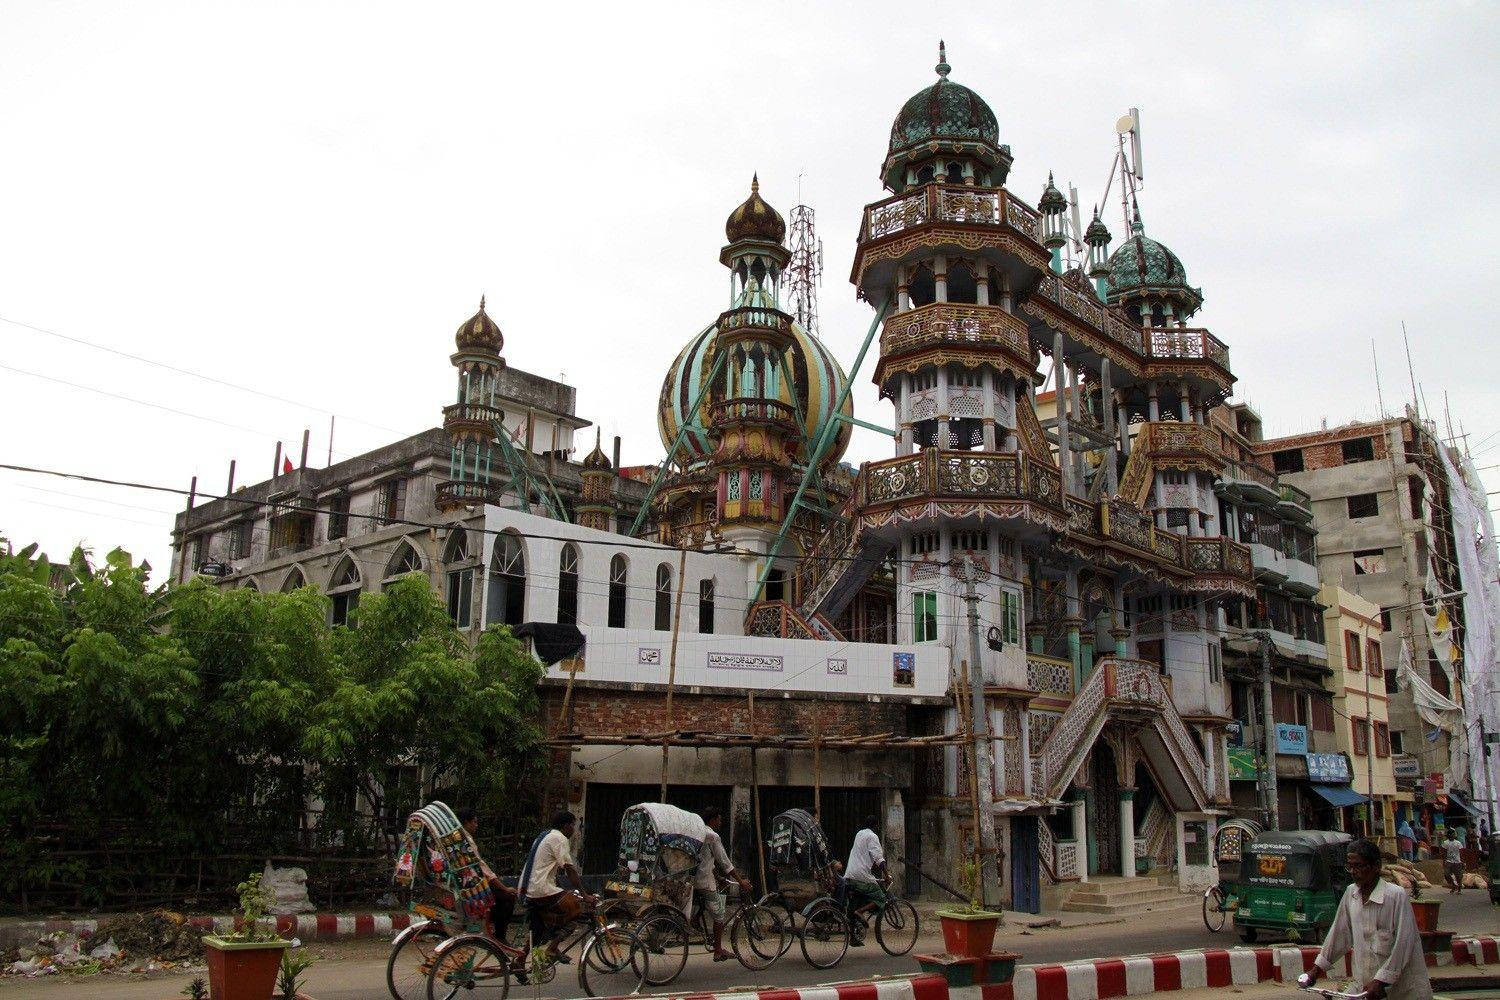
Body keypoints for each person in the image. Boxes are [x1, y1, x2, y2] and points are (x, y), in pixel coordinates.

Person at [1304, 838, 1431, 999]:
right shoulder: (1351, 894)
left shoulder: (1395, 896)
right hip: (1365, 988)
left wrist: (1380, 981)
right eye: (1349, 867)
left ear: (1376, 866)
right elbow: (1338, 935)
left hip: (1401, 991)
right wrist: (1315, 971)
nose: (1353, 872)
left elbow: (1404, 944)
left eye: (1358, 866)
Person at [520, 811, 593, 963]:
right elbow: (569, 869)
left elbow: (547, 869)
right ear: (566, 826)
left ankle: (519, 961)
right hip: (541, 889)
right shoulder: (559, 838)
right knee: (576, 909)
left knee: (537, 928)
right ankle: (552, 948)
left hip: (528, 889)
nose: (574, 829)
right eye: (573, 825)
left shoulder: (545, 836)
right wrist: (585, 895)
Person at [696, 806, 751, 962]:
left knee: (708, 905)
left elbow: (706, 860)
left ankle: (695, 921)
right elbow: (725, 862)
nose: (720, 822)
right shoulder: (712, 836)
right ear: (713, 820)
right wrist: (741, 881)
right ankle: (718, 950)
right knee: (719, 915)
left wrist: (718, 876)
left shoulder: (699, 832)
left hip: (696, 879)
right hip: (704, 882)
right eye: (719, 819)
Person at [458, 807, 518, 941]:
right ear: (466, 822)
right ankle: (499, 937)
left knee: (502, 894)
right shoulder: (466, 840)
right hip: (472, 886)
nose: (476, 825)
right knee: (508, 897)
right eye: (474, 822)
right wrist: (504, 888)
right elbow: (482, 868)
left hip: (468, 882)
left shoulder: (458, 837)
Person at [844, 815, 889, 945]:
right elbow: (878, 859)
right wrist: (886, 875)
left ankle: (854, 935)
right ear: (876, 826)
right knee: (881, 898)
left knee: (855, 902)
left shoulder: (859, 834)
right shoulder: (873, 837)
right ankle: (860, 912)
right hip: (861, 876)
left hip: (850, 874)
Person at [1441, 828, 1465, 893]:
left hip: (1457, 861)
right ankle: (1453, 885)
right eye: (1452, 834)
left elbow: (1461, 852)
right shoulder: (1445, 843)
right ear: (1449, 835)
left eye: (1454, 834)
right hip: (1449, 861)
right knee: (1446, 874)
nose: (1453, 835)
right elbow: (1444, 852)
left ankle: (1459, 888)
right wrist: (1444, 861)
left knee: (1458, 876)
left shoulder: (1458, 843)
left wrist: (1462, 862)